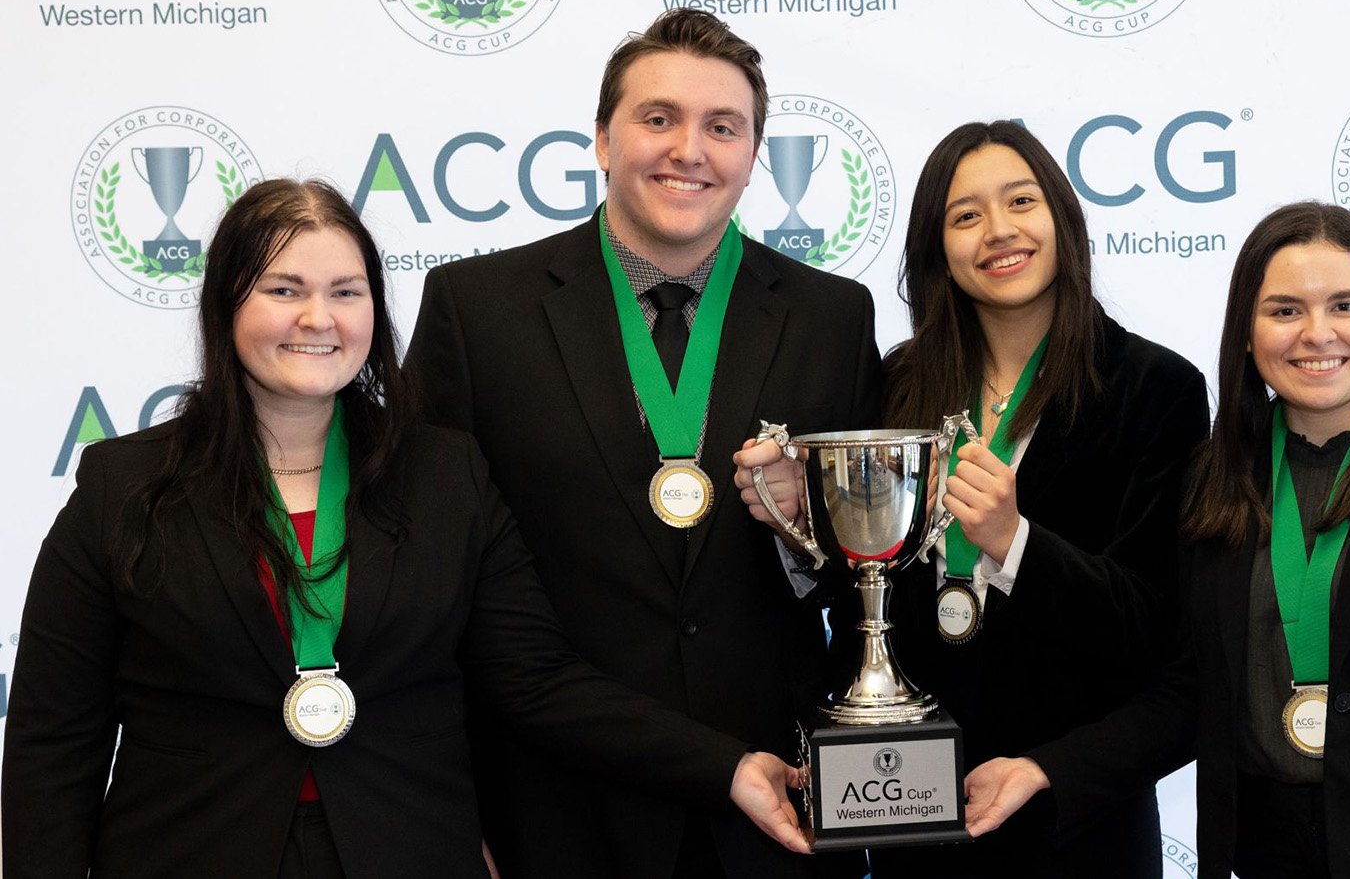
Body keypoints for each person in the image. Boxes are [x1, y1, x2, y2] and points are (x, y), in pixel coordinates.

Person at [1, 179, 810, 879]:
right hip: (187, 853)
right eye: (283, 289)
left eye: (347, 292)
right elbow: (52, 739)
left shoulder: (444, 477)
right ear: (225, 302)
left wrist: (725, 767)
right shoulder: (124, 485)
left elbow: (535, 680)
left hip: (410, 851)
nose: (318, 318)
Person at [963, 202, 1350, 876]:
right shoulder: (1215, 472)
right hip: (1260, 852)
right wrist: (1046, 768)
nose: (1317, 335)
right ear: (1249, 333)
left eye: (1345, 306)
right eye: (1285, 310)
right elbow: (1189, 690)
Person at [403, 8, 880, 879]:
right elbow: (425, 587)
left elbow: (869, 573)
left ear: (752, 157)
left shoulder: (832, 317)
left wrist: (799, 537)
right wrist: (443, 811)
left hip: (778, 810)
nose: (688, 149)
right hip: (550, 811)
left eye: (721, 127)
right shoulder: (477, 312)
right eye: (658, 118)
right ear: (600, 139)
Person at [737, 120, 1208, 874]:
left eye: (1020, 201)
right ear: (937, 250)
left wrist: (1014, 541)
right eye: (965, 216)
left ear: (1062, 217)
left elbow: (1150, 629)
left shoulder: (1157, 390)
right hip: (906, 813)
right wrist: (799, 519)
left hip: (1071, 820)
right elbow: (854, 589)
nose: (998, 232)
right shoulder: (896, 386)